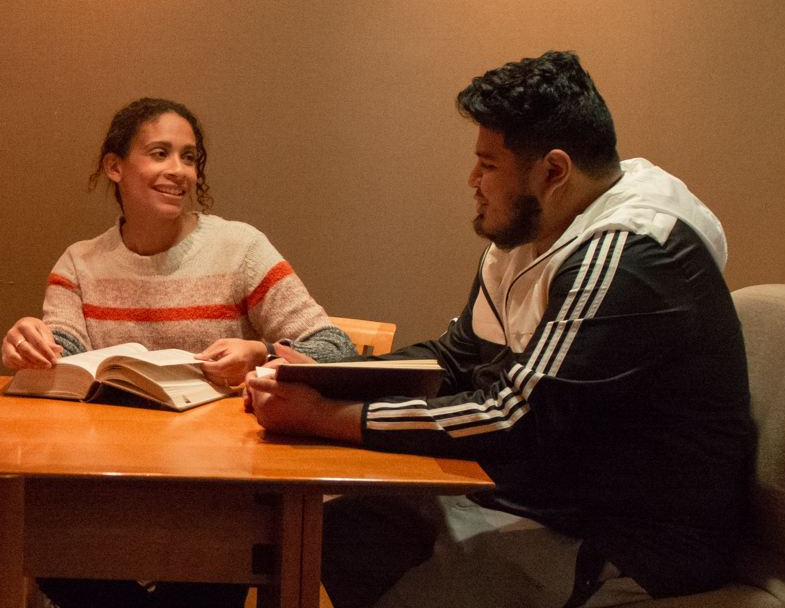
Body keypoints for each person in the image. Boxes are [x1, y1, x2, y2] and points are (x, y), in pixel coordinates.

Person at [246, 51, 752, 608]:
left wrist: (324, 416)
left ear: (553, 172)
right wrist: (325, 374)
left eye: (488, 165)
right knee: (335, 534)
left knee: (398, 581)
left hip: (631, 543)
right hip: (541, 500)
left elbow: (514, 418)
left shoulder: (628, 257)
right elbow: (456, 359)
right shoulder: (534, 233)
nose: (473, 180)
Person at [4, 97, 354, 607]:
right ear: (115, 166)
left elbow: (334, 347)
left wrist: (259, 352)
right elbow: (66, 356)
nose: (178, 171)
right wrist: (31, 346)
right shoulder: (79, 263)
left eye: (189, 158)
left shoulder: (241, 248)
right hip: (105, 489)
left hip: (218, 494)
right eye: (160, 153)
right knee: (56, 550)